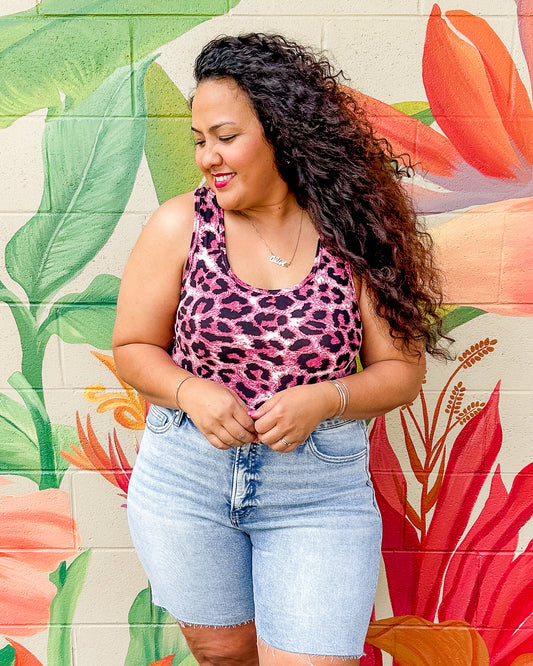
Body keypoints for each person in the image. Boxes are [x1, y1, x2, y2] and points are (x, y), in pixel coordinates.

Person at [113, 33, 447, 666]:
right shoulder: (179, 225)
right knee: (223, 654)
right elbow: (132, 347)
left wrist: (325, 399)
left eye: (225, 136)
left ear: (282, 134)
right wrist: (191, 391)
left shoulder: (354, 234)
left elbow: (402, 372)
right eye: (199, 139)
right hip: (187, 480)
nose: (207, 157)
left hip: (318, 492)